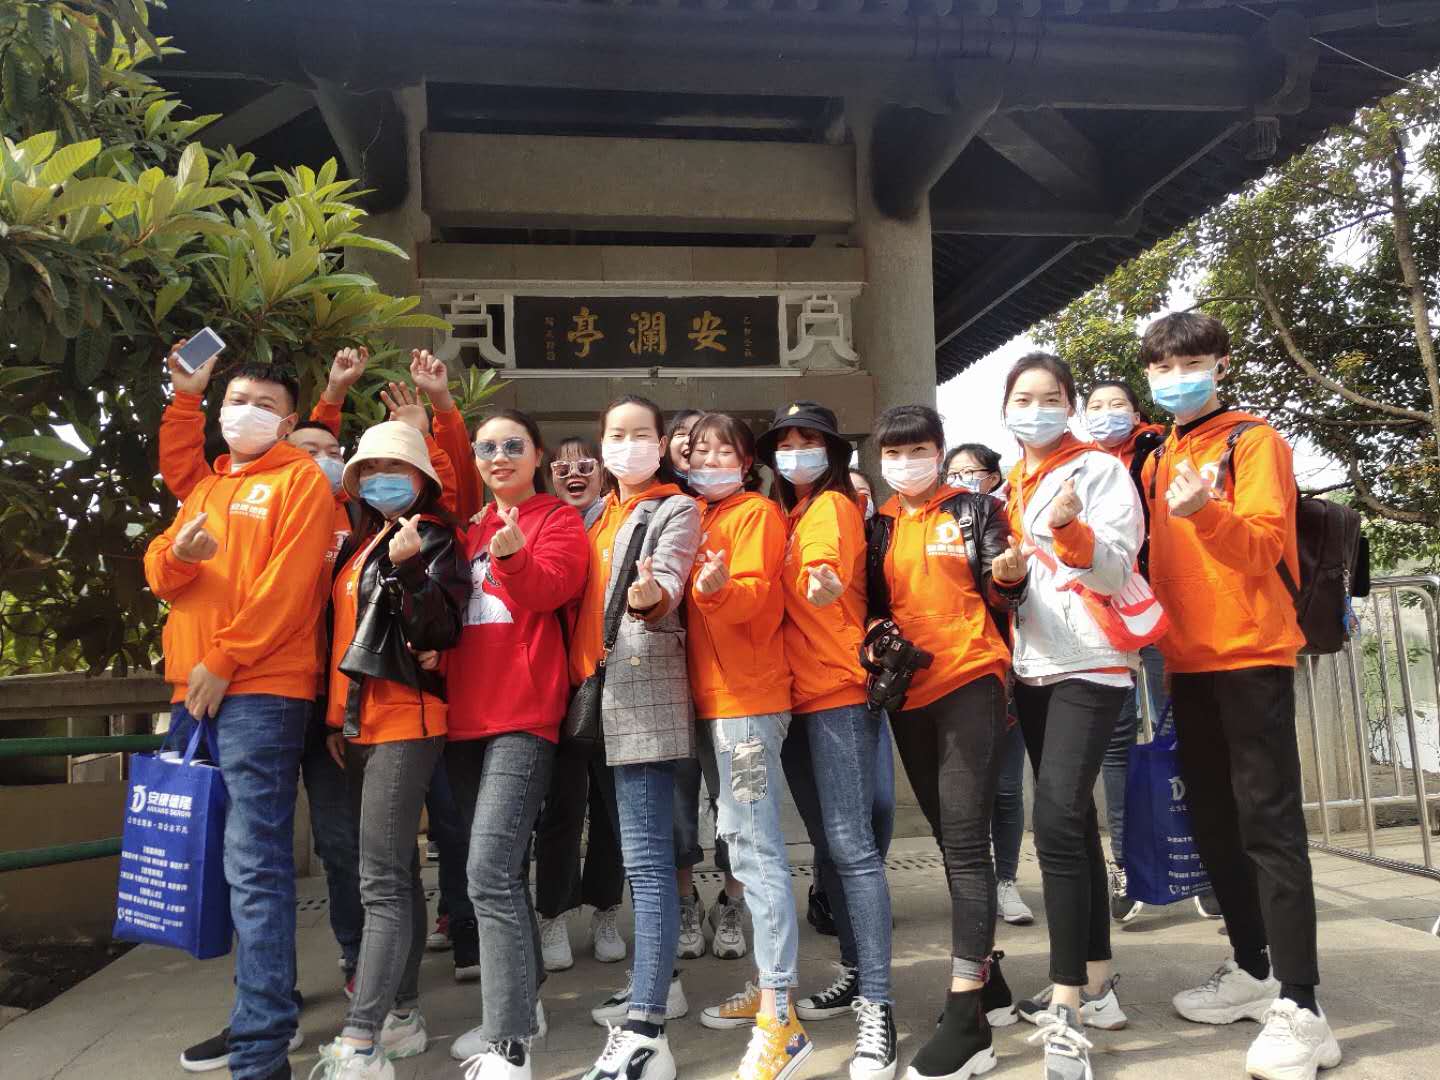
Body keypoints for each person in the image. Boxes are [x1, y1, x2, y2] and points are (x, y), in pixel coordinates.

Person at [1140, 312, 1338, 1080]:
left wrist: (1206, 511)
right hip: (1186, 661)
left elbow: (1261, 547)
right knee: (1215, 822)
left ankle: (1304, 1006)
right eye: (1161, 367)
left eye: (1190, 363)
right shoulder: (1161, 456)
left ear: (1221, 365)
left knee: (1269, 826)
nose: (1175, 378)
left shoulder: (1254, 442)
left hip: (1252, 653)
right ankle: (1253, 967)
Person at [144, 362, 338, 1080]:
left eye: (263, 403)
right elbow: (159, 571)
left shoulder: (300, 481)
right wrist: (179, 556)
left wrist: (225, 658)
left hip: (259, 689)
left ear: (287, 421)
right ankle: (260, 1014)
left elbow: (290, 587)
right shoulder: (209, 484)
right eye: (236, 399)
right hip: (193, 689)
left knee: (254, 864)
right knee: (223, 863)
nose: (245, 410)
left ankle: (260, 1048)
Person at [419, 352, 591, 1080]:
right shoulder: (468, 527)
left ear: (538, 456)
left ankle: (509, 1041)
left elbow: (553, 590)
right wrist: (440, 406)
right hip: (465, 717)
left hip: (524, 715)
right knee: (499, 872)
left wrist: (516, 556)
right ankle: (520, 1009)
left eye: (512, 445)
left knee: (487, 871)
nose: (498, 457)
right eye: (487, 447)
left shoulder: (558, 519)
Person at [866, 405, 1029, 1080]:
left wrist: (1010, 574)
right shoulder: (877, 524)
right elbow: (871, 604)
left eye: (918, 450)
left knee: (964, 843)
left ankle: (967, 1019)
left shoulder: (975, 510)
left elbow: (1002, 584)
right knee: (947, 836)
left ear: (938, 452)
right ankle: (989, 981)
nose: (906, 462)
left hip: (971, 679)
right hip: (909, 692)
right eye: (894, 452)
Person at [998, 353, 1143, 1080]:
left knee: (1053, 818)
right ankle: (1098, 981)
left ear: (1071, 404)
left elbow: (1116, 568)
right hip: (1033, 665)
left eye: (1051, 397)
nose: (1037, 410)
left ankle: (1066, 1004)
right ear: (1005, 409)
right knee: (1075, 822)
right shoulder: (1009, 483)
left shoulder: (1099, 472)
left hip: (1092, 659)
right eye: (1023, 398)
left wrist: (1071, 530)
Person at [311, 419, 469, 1080]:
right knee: (395, 873)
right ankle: (401, 1015)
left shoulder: (431, 535)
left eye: (394, 468)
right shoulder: (364, 541)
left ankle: (361, 1038)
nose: (380, 478)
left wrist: (409, 569)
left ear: (422, 478)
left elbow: (442, 629)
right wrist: (336, 721)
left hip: (407, 719)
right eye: (369, 468)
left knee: (378, 879)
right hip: (359, 726)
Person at [755, 402, 895, 1080]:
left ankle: (878, 1005)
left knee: (851, 847)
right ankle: (855, 972)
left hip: (836, 692)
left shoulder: (831, 507)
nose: (795, 452)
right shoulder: (786, 512)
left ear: (833, 452)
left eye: (808, 441)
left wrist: (824, 582)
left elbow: (824, 567)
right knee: (832, 848)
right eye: (784, 443)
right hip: (794, 696)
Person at [678, 413, 814, 1080]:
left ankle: (780, 1016)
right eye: (698, 449)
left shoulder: (754, 513)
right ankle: (768, 991)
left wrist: (717, 590)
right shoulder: (695, 515)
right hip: (715, 703)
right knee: (740, 840)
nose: (709, 460)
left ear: (745, 460)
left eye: (722, 449)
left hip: (748, 708)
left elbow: (756, 596)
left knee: (756, 850)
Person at [575, 397, 702, 1080]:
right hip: (599, 698)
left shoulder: (675, 508)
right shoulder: (597, 514)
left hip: (645, 694)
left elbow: (669, 580)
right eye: (616, 434)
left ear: (661, 444)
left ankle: (647, 1030)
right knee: (637, 859)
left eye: (641, 434)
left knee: (649, 864)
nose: (628, 445)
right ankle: (659, 986)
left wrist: (651, 598)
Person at [1084, 381, 1213, 923]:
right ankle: (1126, 866)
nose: (1106, 414)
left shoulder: (1160, 453)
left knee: (1181, 736)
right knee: (1114, 748)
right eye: (1095, 406)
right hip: (1103, 615)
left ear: (1137, 411)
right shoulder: (1078, 466)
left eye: (1117, 404)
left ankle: (1202, 864)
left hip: (1161, 611)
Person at [531, 435, 629, 971]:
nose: (574, 475)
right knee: (561, 808)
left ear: (603, 473)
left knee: (612, 810)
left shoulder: (620, 522)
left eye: (585, 465)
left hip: (613, 683)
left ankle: (606, 910)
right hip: (556, 686)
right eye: (562, 468)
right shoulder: (540, 523)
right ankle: (552, 913)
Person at [943, 442, 1034, 930]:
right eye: (953, 472)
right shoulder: (942, 524)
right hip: (961, 670)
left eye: (971, 472)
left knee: (1005, 786)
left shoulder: (1007, 517)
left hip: (1014, 667)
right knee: (964, 790)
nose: (962, 480)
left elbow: (1007, 592)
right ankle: (971, 880)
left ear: (994, 476)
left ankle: (1006, 880)